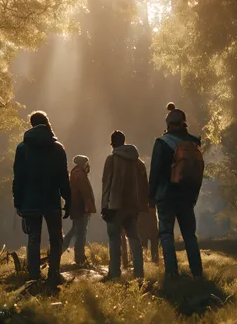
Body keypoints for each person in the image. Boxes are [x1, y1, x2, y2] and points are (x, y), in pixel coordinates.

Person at [12, 111, 71, 283]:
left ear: (31, 124)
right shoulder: (58, 148)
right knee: (55, 238)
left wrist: (18, 201)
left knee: (33, 238)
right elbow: (63, 177)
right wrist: (68, 200)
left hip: (30, 200)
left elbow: (19, 176)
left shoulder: (22, 148)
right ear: (47, 123)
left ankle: (34, 276)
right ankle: (54, 274)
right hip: (52, 199)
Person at [149, 103, 204, 278]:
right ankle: (197, 274)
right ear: (184, 122)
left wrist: (150, 197)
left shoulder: (161, 143)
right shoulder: (194, 143)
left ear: (168, 125)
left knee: (166, 234)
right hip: (187, 196)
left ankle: (172, 274)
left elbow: (155, 171)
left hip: (166, 196)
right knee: (190, 236)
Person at [101, 130, 149, 279]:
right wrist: (142, 205)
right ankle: (139, 275)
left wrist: (104, 205)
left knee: (114, 239)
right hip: (133, 206)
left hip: (115, 206)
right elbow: (144, 186)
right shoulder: (138, 162)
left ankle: (115, 274)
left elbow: (106, 184)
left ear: (112, 144)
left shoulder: (111, 160)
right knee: (134, 239)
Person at [62, 155, 96, 265]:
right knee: (81, 233)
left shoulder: (75, 173)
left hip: (76, 208)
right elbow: (85, 193)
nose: (88, 165)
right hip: (81, 209)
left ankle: (59, 250)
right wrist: (87, 207)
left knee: (74, 231)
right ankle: (79, 259)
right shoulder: (80, 174)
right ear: (82, 163)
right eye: (86, 163)